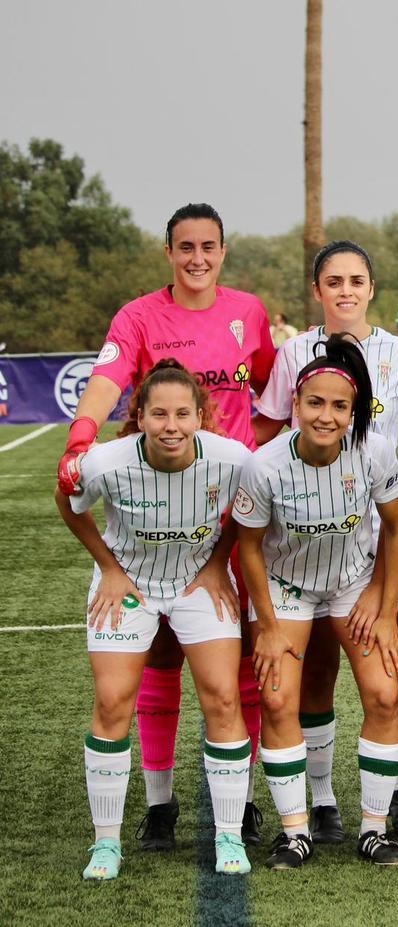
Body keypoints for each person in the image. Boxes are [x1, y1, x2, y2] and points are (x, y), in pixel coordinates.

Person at [56, 203, 275, 851]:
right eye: (186, 247)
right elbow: (107, 379)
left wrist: (258, 454)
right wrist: (82, 435)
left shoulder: (249, 311)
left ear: (223, 251)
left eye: (208, 246)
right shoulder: (139, 316)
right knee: (157, 658)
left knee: (237, 664)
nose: (197, 258)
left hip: (234, 512)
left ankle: (243, 801)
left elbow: (273, 394)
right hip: (161, 503)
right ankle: (159, 804)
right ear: (169, 252)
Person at [255, 240, 398, 845]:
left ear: (371, 289)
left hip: (376, 548)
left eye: (356, 281)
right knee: (316, 672)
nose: (345, 291)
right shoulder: (294, 353)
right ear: (317, 291)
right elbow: (267, 431)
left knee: (397, 674)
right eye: (334, 281)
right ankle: (322, 802)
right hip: (301, 545)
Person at [55, 360, 254, 880]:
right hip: (129, 584)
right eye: (159, 414)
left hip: (196, 582)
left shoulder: (232, 458)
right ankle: (106, 843)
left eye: (183, 414)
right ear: (139, 416)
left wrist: (218, 562)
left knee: (223, 697)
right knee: (112, 701)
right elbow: (67, 500)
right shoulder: (106, 462)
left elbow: (250, 508)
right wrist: (108, 568)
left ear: (200, 417)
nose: (172, 426)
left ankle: (229, 835)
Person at [234, 333, 398, 869]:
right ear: (295, 403)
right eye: (315, 403)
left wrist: (384, 609)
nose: (326, 416)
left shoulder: (373, 452)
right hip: (285, 588)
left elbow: (397, 529)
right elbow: (249, 548)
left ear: (353, 411)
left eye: (339, 406)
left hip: (353, 583)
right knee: (276, 700)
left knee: (384, 694)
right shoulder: (264, 465)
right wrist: (267, 626)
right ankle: (295, 832)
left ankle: (374, 830)